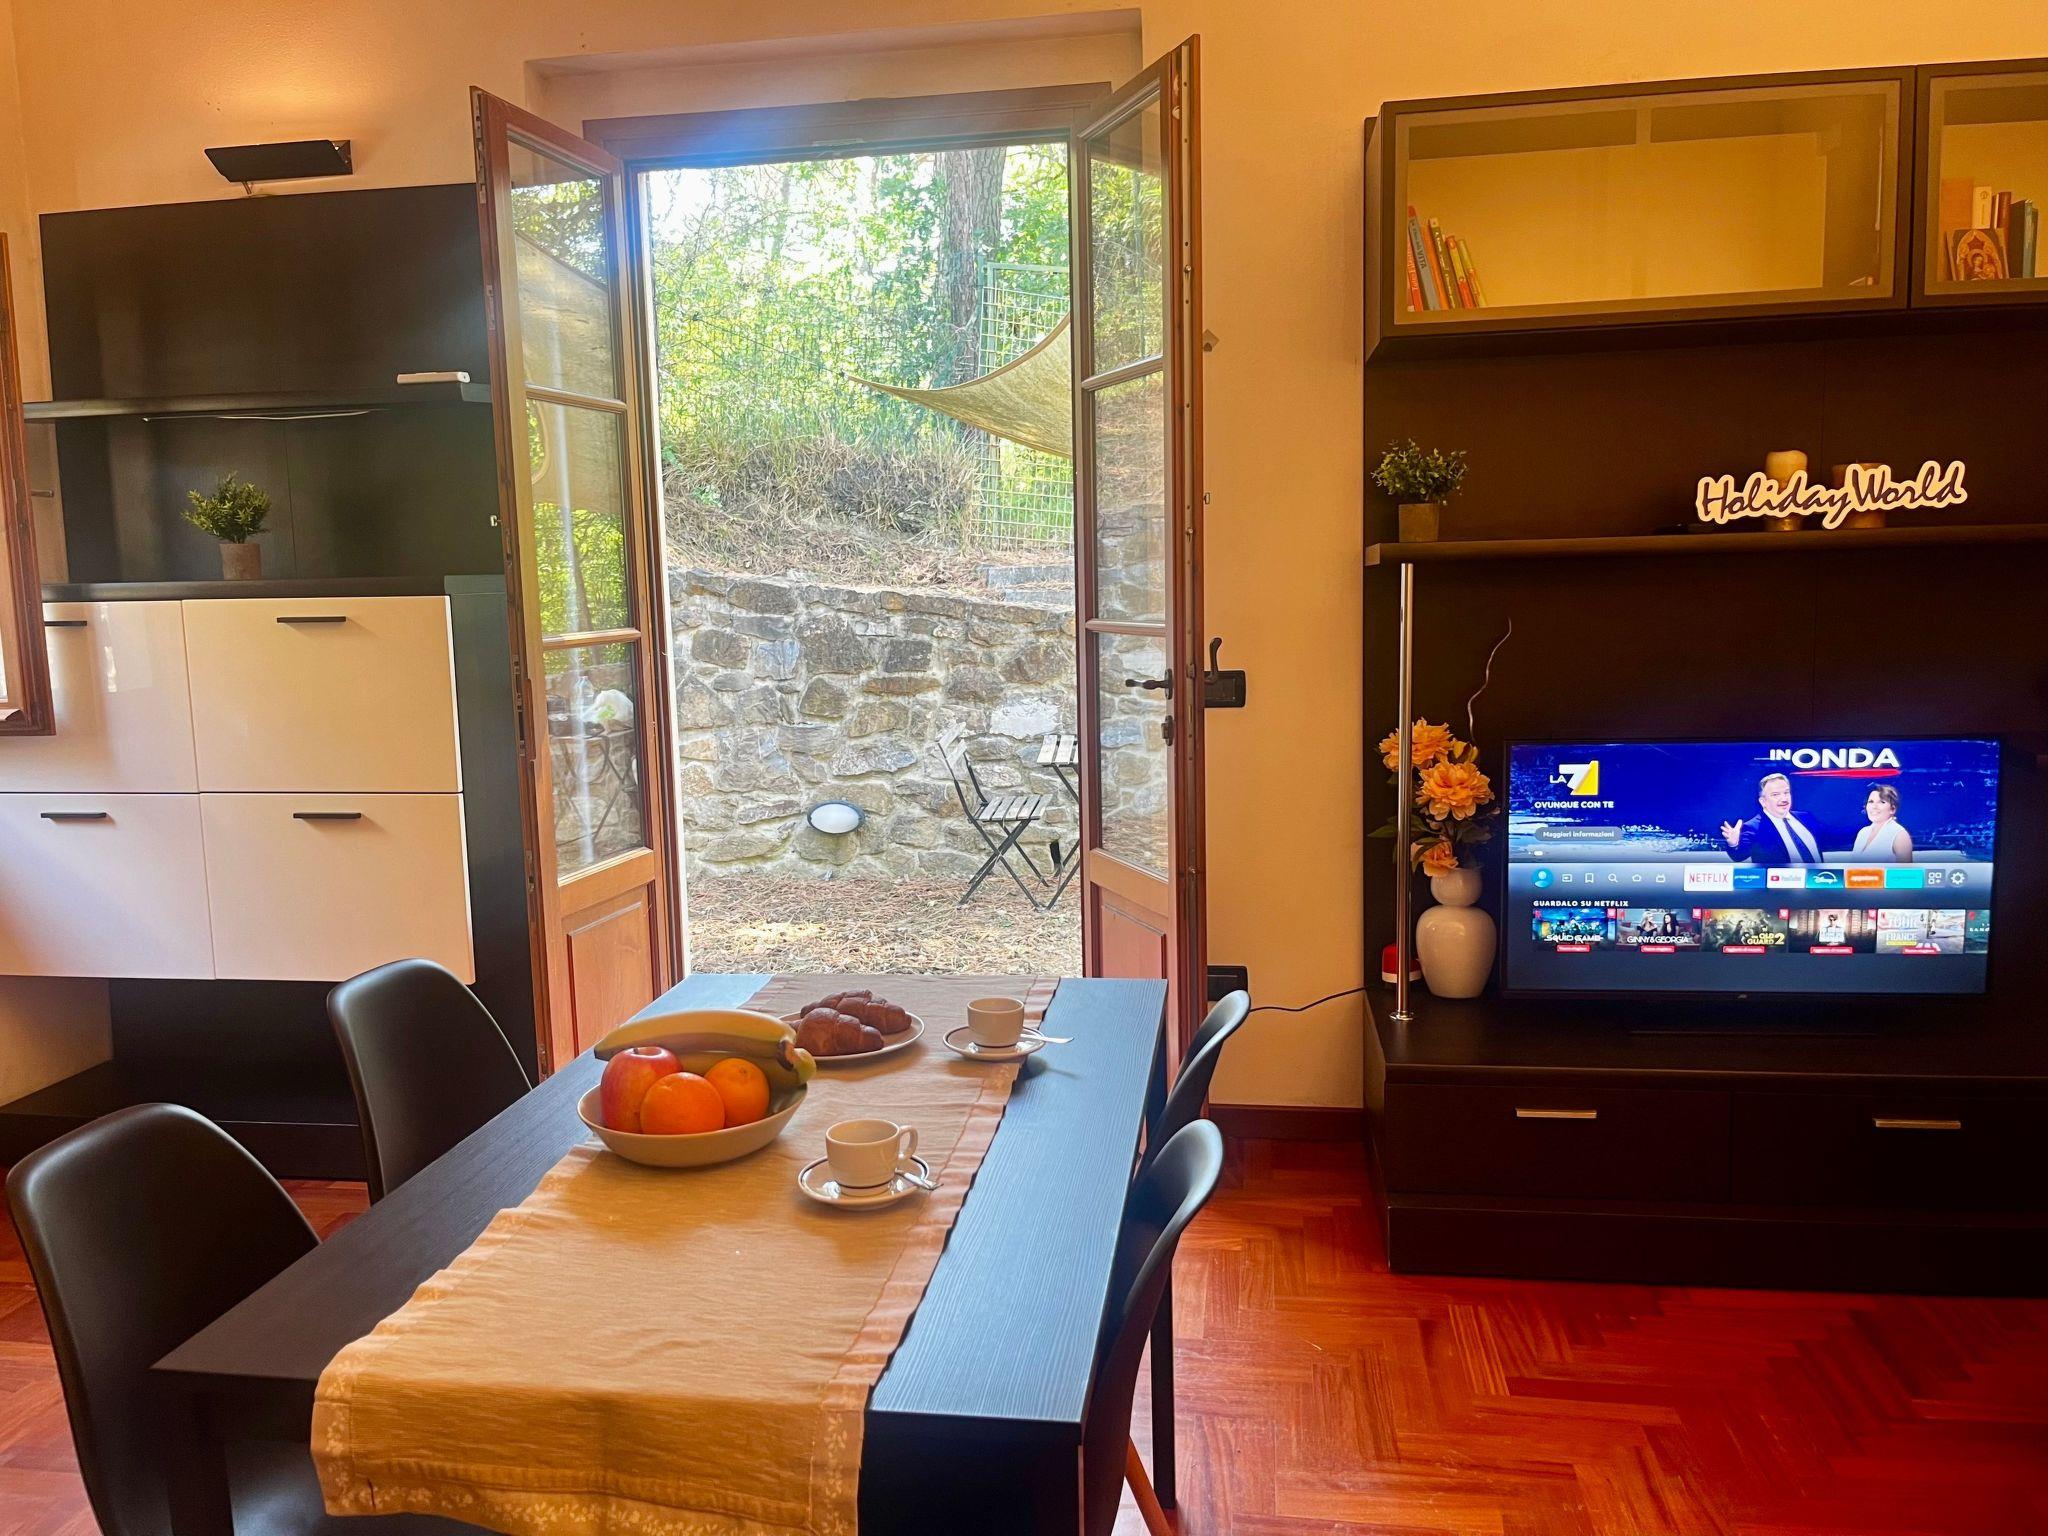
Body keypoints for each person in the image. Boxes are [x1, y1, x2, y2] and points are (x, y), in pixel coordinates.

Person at [1721, 772, 1826, 866]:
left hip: (1817, 878)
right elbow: (1739, 855)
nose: (1784, 799)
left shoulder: (1805, 817)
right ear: (1763, 801)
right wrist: (1734, 844)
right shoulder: (1754, 827)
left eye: (1786, 792)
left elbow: (1829, 838)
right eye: (1775, 795)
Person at [1851, 781, 1914, 863]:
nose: (1874, 807)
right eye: (1871, 802)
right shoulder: (1863, 832)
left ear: (1892, 809)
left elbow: (1906, 870)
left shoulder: (1900, 835)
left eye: (1881, 802)